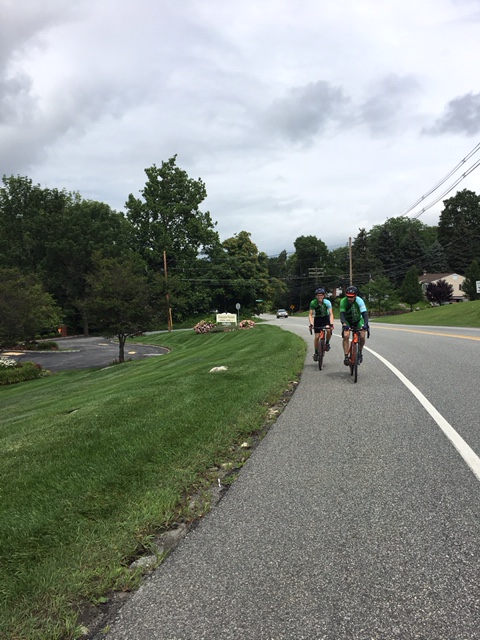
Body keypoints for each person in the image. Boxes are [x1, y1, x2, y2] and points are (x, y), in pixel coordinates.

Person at [339, 285, 369, 365]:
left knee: (362, 335)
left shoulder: (359, 301)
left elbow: (365, 314)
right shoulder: (343, 301)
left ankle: (360, 352)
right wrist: (344, 324)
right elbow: (342, 315)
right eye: (348, 296)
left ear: (355, 296)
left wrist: (366, 325)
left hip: (358, 320)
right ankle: (346, 356)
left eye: (352, 297)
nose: (349, 298)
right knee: (346, 335)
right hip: (347, 320)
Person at [308, 287, 334, 361]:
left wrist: (331, 324)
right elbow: (310, 314)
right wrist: (311, 324)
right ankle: (316, 352)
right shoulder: (313, 303)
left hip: (325, 317)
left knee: (328, 330)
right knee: (317, 337)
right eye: (318, 295)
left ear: (324, 296)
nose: (320, 297)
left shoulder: (327, 302)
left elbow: (331, 314)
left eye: (321, 295)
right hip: (317, 319)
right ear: (316, 296)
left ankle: (327, 343)